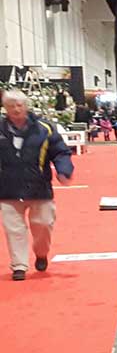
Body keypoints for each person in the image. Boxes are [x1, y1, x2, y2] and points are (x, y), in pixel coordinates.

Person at [0, 90, 73, 280]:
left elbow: (60, 152)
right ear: (4, 108)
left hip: (39, 187)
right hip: (8, 188)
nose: (16, 110)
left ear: (26, 106)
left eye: (19, 105)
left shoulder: (44, 129)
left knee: (43, 225)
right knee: (13, 229)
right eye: (11, 106)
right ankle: (19, 265)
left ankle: (41, 253)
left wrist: (64, 170)